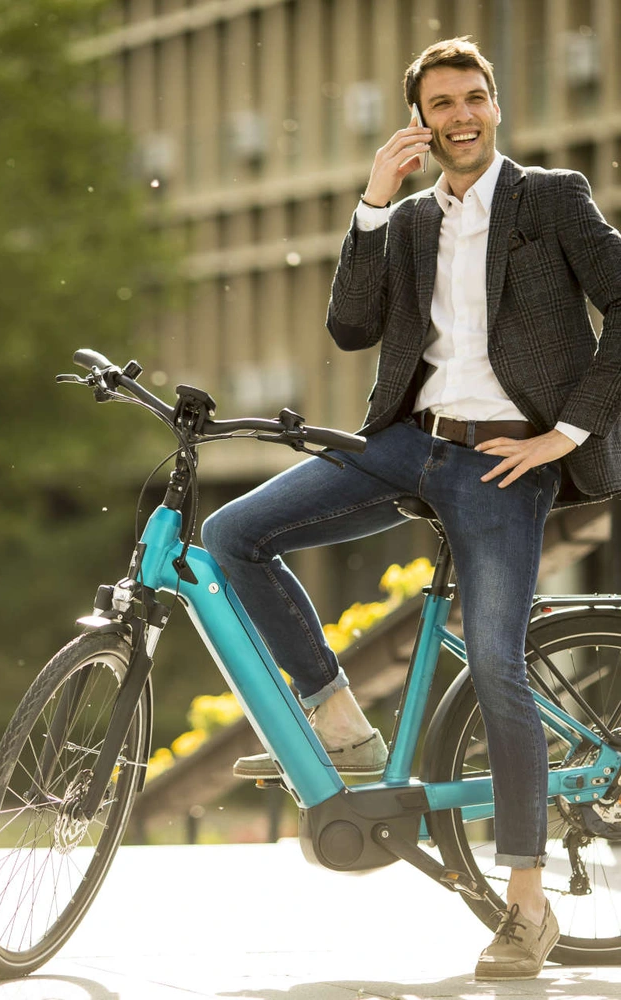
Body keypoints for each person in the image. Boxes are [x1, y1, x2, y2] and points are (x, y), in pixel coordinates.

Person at [201, 36, 621, 981]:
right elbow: (351, 327)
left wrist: (569, 434)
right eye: (441, 104)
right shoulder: (411, 221)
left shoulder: (550, 199)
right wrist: (372, 203)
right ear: (420, 121)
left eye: (474, 98)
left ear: (496, 106)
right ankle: (342, 722)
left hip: (503, 463)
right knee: (233, 533)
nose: (460, 116)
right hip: (405, 442)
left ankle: (526, 907)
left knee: (501, 667)